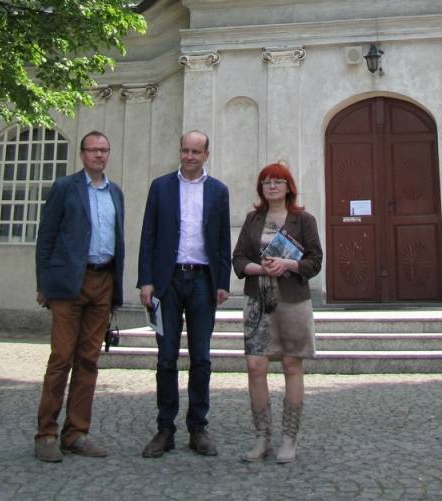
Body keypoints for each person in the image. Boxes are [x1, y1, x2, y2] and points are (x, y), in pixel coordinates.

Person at [137, 130, 231, 458]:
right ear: (180, 151)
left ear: (206, 155)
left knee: (201, 357)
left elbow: (222, 240)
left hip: (203, 281)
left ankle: (198, 428)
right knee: (166, 357)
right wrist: (146, 281)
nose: (190, 156)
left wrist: (222, 282)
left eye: (196, 151)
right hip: (168, 282)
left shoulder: (218, 191)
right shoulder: (161, 187)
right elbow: (148, 236)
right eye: (185, 150)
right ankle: (165, 428)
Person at [34, 130, 125, 462]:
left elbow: (118, 240)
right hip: (69, 282)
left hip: (103, 280)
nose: (99, 155)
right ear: (82, 154)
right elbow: (46, 237)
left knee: (89, 359)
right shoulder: (65, 188)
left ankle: (76, 432)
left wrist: (115, 287)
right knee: (61, 358)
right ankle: (46, 433)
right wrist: (44, 284)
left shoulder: (115, 192)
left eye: (104, 150)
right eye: (93, 150)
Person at [232, 162, 322, 464]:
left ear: (288, 187)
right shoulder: (253, 219)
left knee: (291, 364)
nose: (272, 186)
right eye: (266, 182)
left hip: (293, 300)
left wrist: (289, 265)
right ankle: (262, 437)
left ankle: (289, 438)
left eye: (278, 182)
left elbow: (315, 261)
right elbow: (238, 258)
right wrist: (261, 269)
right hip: (258, 301)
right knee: (255, 365)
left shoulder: (303, 220)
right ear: (261, 188)